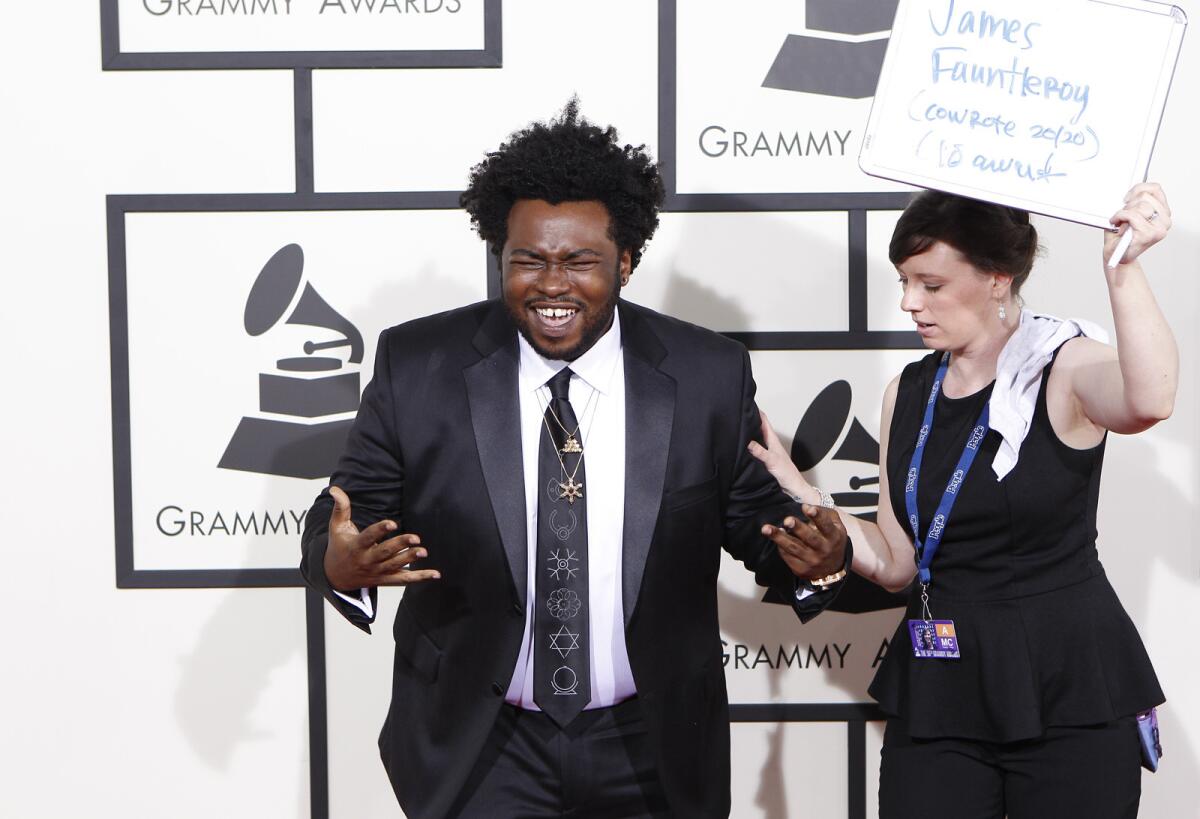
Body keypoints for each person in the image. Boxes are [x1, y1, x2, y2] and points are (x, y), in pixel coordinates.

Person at [299, 101, 852, 819]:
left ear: (626, 261)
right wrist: (341, 563)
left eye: (579, 261)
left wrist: (820, 559)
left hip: (650, 745)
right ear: (500, 255)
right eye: (527, 259)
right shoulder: (419, 366)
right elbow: (339, 519)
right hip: (482, 746)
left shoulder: (705, 374)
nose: (551, 284)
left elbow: (765, 527)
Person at [751, 185, 1176, 818]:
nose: (908, 303)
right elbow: (898, 561)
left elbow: (1150, 399)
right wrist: (807, 495)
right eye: (904, 282)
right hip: (940, 686)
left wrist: (1125, 269)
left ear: (998, 279)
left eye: (930, 285)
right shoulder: (911, 389)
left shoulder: (1058, 367)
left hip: (1069, 687)